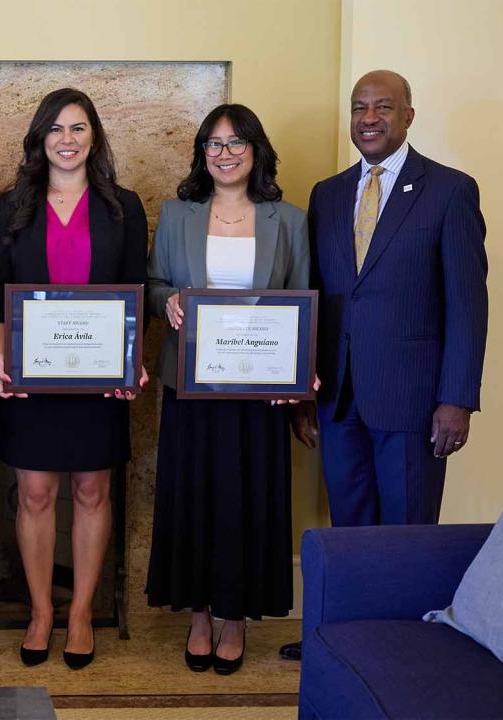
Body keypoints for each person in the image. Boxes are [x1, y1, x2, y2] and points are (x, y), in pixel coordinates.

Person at [278, 70, 488, 662]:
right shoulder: (327, 193)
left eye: (383, 107)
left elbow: (468, 304)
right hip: (339, 396)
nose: (369, 118)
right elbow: (316, 295)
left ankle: (407, 650)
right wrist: (301, 393)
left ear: (409, 116)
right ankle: (342, 640)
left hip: (414, 398)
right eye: (359, 107)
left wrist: (457, 399)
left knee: (408, 532)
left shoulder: (449, 191)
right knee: (348, 527)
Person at [0, 88, 148, 670]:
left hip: (98, 380)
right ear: (40, 139)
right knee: (35, 492)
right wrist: (1, 356)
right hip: (32, 376)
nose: (68, 139)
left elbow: (138, 295)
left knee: (92, 491)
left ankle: (79, 612)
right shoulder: (12, 206)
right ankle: (41, 611)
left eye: (78, 128)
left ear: (94, 137)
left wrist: (134, 361)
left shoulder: (123, 207)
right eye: (56, 129)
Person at [145, 104, 310, 675]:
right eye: (213, 144)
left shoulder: (288, 219)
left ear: (256, 149)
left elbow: (302, 298)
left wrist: (300, 379)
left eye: (236, 142)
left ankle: (235, 616)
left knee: (248, 498)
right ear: (201, 153)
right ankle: (197, 613)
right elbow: (153, 283)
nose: (225, 153)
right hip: (191, 383)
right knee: (192, 494)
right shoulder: (177, 214)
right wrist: (165, 299)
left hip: (258, 388)